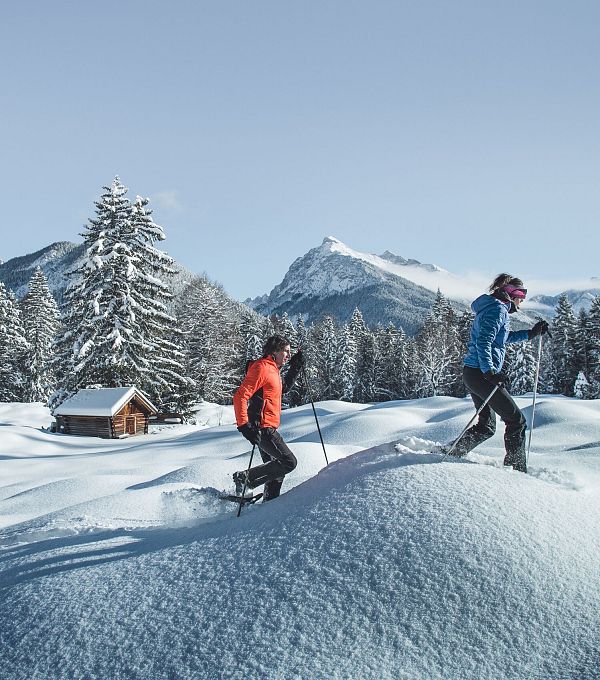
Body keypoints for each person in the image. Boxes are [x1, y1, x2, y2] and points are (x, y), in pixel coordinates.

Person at [448, 274, 549, 473]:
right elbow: (484, 342)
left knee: (486, 426)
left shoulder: (493, 307)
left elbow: (500, 339)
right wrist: (490, 371)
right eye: (520, 293)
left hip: (473, 373)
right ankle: (516, 470)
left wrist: (530, 334)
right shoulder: (497, 310)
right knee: (516, 420)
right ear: (509, 293)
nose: (522, 299)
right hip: (480, 374)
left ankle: (452, 451)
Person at [232, 334, 304, 501]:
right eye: (286, 351)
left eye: (289, 352)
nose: (288, 355)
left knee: (276, 472)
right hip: (262, 428)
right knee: (288, 462)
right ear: (275, 350)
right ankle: (245, 478)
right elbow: (240, 396)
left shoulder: (273, 370)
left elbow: (282, 389)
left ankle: (268, 508)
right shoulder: (262, 367)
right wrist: (244, 426)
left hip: (267, 426)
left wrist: (296, 367)